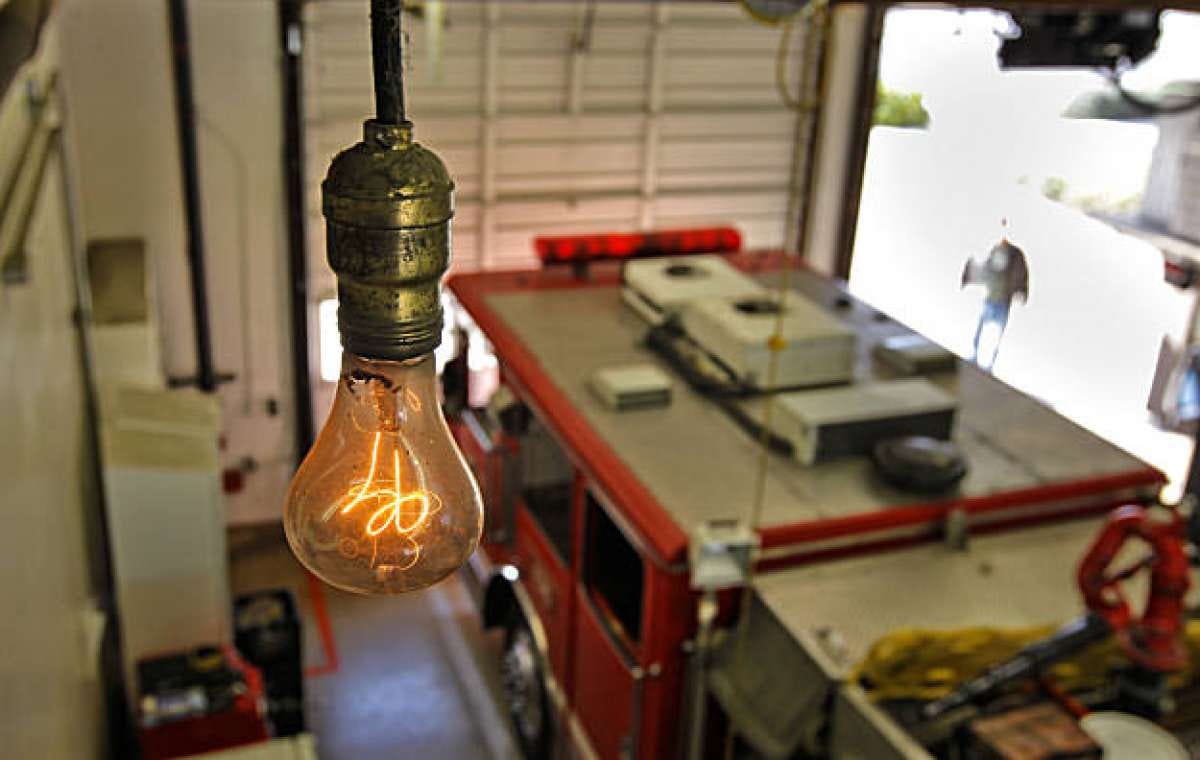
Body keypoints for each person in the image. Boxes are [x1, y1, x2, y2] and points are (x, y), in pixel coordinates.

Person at [961, 237, 1029, 370]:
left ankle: (989, 362)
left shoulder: (1014, 256)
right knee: (984, 329)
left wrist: (1021, 291)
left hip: (1001, 302)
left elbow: (1019, 276)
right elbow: (986, 271)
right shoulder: (1001, 255)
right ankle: (978, 357)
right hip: (993, 301)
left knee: (995, 332)